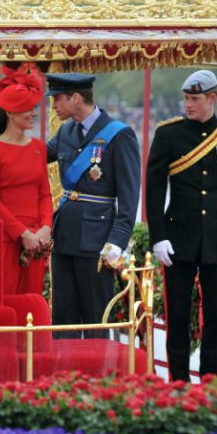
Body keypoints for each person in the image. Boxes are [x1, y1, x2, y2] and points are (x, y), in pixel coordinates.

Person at [45, 73, 140, 339]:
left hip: (97, 241)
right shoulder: (65, 132)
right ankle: (64, 378)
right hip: (64, 237)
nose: (53, 106)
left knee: (96, 317)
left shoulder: (119, 135)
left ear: (76, 98)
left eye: (57, 99)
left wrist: (117, 242)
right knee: (63, 320)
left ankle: (97, 379)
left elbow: (129, 196)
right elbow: (35, 157)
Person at [146, 70, 217, 381]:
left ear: (212, 99)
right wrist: (158, 236)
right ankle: (177, 383)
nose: (188, 105)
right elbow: (154, 187)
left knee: (215, 317)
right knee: (177, 315)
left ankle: (210, 382)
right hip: (177, 239)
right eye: (186, 98)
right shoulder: (168, 134)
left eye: (195, 99)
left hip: (215, 239)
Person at [0, 67, 52, 295]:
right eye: (27, 109)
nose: (33, 113)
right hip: (6, 238)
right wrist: (22, 233)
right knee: (5, 300)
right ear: (10, 112)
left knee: (32, 301)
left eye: (34, 108)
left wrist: (45, 228)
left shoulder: (39, 147)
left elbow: (44, 194)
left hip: (36, 241)